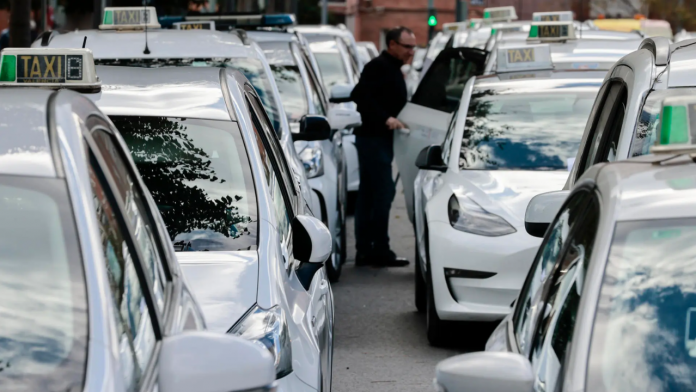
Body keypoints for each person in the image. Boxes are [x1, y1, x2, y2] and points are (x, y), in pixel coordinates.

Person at [350, 26, 416, 267]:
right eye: (407, 46)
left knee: (370, 194)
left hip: (380, 140)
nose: (412, 51)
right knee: (382, 192)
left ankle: (366, 250)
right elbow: (360, 95)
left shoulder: (394, 69)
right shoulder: (379, 66)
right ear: (392, 45)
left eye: (413, 46)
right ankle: (379, 249)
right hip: (372, 139)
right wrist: (385, 118)